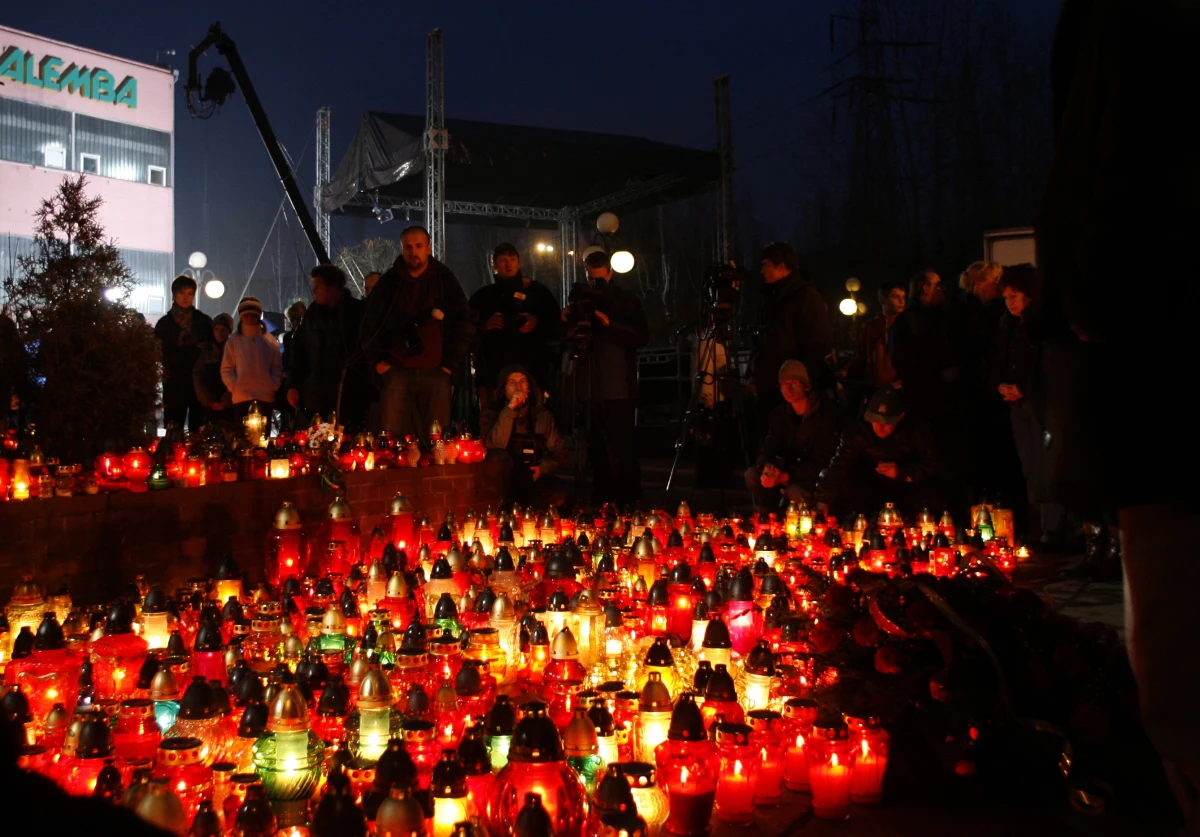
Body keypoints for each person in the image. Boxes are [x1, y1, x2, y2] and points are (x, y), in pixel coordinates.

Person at [1037, 3, 1200, 831]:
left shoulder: (1136, 18)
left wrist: (1093, 289)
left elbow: (1124, 138)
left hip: (1158, 353)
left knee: (1176, 639)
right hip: (1152, 339)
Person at [360, 226, 472, 437]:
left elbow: (463, 322)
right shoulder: (389, 283)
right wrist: (378, 361)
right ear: (402, 249)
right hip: (396, 371)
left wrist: (450, 364)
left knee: (437, 439)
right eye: (408, 247)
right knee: (390, 438)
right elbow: (368, 324)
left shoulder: (444, 280)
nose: (413, 252)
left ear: (428, 248)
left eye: (419, 246)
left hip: (436, 371)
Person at [563, 250, 649, 507]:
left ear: (610, 274)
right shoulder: (579, 298)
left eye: (599, 279)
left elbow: (641, 337)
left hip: (617, 385)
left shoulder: (626, 300)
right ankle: (602, 497)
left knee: (622, 445)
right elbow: (568, 337)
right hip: (589, 383)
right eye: (590, 279)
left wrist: (610, 324)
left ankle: (629, 498)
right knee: (595, 445)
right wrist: (567, 322)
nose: (594, 284)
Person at [989, 265, 1064, 546]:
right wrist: (1001, 384)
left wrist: (1023, 387)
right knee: (1030, 466)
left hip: (1040, 404)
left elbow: (1044, 367)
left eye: (1015, 296)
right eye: (1006, 297)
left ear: (1030, 295)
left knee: (1047, 464)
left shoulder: (1040, 326)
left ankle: (1054, 528)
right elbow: (1001, 360)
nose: (1009, 302)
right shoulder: (1008, 325)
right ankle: (1039, 527)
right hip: (1017, 403)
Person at [815, 387, 939, 518]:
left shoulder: (917, 433)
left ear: (900, 417)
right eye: (875, 420)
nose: (880, 427)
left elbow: (935, 467)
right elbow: (839, 465)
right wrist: (823, 501)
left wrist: (902, 473)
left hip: (907, 493)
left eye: (887, 422)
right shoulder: (858, 431)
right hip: (866, 494)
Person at [751, 243, 834, 432]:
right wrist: (753, 373)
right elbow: (761, 341)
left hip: (793, 389)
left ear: (781, 266)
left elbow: (818, 342)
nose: (762, 271)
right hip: (769, 385)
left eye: (766, 265)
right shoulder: (768, 300)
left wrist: (800, 380)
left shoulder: (806, 298)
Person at [469, 242, 561, 409]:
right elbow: (466, 328)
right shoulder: (483, 297)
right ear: (495, 265)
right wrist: (485, 326)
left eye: (512, 259)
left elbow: (556, 323)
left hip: (531, 366)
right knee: (493, 416)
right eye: (503, 260)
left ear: (519, 262)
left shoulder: (537, 292)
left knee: (534, 415)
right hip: (493, 369)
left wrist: (536, 321)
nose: (508, 264)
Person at [744, 360, 842, 513]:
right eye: (783, 385)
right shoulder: (780, 414)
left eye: (794, 383)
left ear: (806, 386)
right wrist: (767, 466)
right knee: (752, 476)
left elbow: (822, 461)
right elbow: (770, 445)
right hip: (785, 470)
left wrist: (786, 476)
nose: (788, 389)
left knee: (795, 491)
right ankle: (771, 514)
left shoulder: (824, 415)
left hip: (811, 477)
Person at [287, 265, 371, 432]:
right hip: (316, 396)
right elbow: (299, 353)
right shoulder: (312, 315)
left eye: (318, 285)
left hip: (349, 395)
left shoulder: (356, 312)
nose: (314, 291)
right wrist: (293, 385)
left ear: (332, 287)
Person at [480, 365, 568, 510]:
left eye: (522, 381)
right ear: (504, 390)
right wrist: (510, 410)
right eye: (512, 382)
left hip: (533, 474)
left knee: (557, 493)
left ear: (529, 388)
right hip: (503, 479)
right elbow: (496, 445)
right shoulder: (492, 414)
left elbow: (558, 450)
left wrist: (542, 468)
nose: (518, 387)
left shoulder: (542, 416)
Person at [154, 275, 213, 433]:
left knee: (199, 427)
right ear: (174, 295)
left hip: (198, 381)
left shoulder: (203, 322)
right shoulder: (165, 324)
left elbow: (209, 349)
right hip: (174, 380)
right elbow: (162, 352)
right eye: (181, 293)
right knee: (174, 427)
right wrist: (193, 351)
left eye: (189, 293)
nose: (186, 298)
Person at [221, 296, 283, 426]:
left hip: (265, 395)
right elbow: (227, 368)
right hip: (241, 396)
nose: (249, 318)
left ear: (258, 316)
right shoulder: (233, 341)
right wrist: (234, 386)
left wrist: (273, 384)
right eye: (246, 315)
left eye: (253, 315)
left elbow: (277, 366)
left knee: (263, 433)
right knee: (242, 433)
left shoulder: (269, 341)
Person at [844, 281, 905, 389]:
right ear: (883, 299)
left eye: (903, 297)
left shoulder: (905, 324)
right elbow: (861, 356)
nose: (901, 301)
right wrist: (846, 371)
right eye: (896, 297)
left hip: (897, 387)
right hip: (874, 386)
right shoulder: (870, 326)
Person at [193, 312, 235, 427]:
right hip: (210, 405)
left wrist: (227, 400)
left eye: (223, 330)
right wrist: (208, 401)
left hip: (229, 405)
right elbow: (198, 377)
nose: (219, 333)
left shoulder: (234, 351)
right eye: (216, 329)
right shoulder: (206, 353)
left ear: (229, 332)